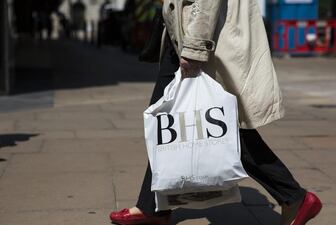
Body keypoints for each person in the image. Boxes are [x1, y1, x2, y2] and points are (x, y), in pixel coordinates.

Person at [109, 1, 322, 225]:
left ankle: (294, 196)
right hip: (179, 34)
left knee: (218, 129)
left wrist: (194, 47)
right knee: (167, 123)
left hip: (200, 37)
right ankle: (151, 207)